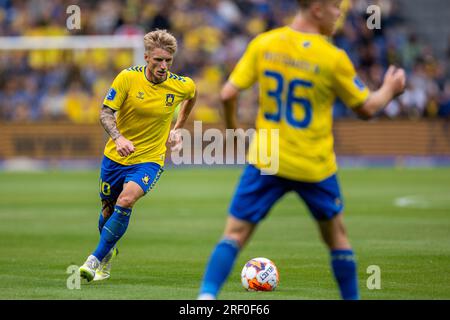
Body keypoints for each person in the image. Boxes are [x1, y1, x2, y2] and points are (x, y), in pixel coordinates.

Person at [198, 0, 405, 300]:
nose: (339, 14)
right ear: (317, 9)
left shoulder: (264, 43)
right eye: (335, 7)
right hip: (313, 163)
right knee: (337, 239)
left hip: (266, 157)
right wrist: (390, 88)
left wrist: (233, 132)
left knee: (234, 234)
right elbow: (367, 109)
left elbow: (227, 93)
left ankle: (206, 298)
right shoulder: (332, 58)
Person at [79, 29, 197, 282]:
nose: (163, 66)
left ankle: (94, 259)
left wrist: (178, 129)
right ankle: (108, 251)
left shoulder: (180, 85)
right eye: (158, 60)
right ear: (146, 58)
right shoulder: (127, 78)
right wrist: (118, 138)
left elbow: (191, 96)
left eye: (168, 61)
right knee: (108, 211)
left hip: (150, 158)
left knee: (126, 199)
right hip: (115, 156)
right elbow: (105, 113)